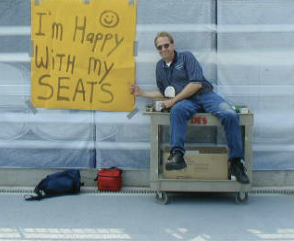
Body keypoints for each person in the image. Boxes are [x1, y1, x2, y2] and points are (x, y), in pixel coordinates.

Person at [130, 32, 249, 184]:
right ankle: (178, 156)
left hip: (205, 95)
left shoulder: (186, 57)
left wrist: (173, 101)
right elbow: (165, 92)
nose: (164, 49)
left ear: (173, 45)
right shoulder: (160, 67)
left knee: (230, 114)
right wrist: (142, 93)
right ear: (158, 50)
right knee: (177, 110)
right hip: (186, 101)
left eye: (166, 45)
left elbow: (196, 84)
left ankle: (236, 163)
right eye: (160, 47)